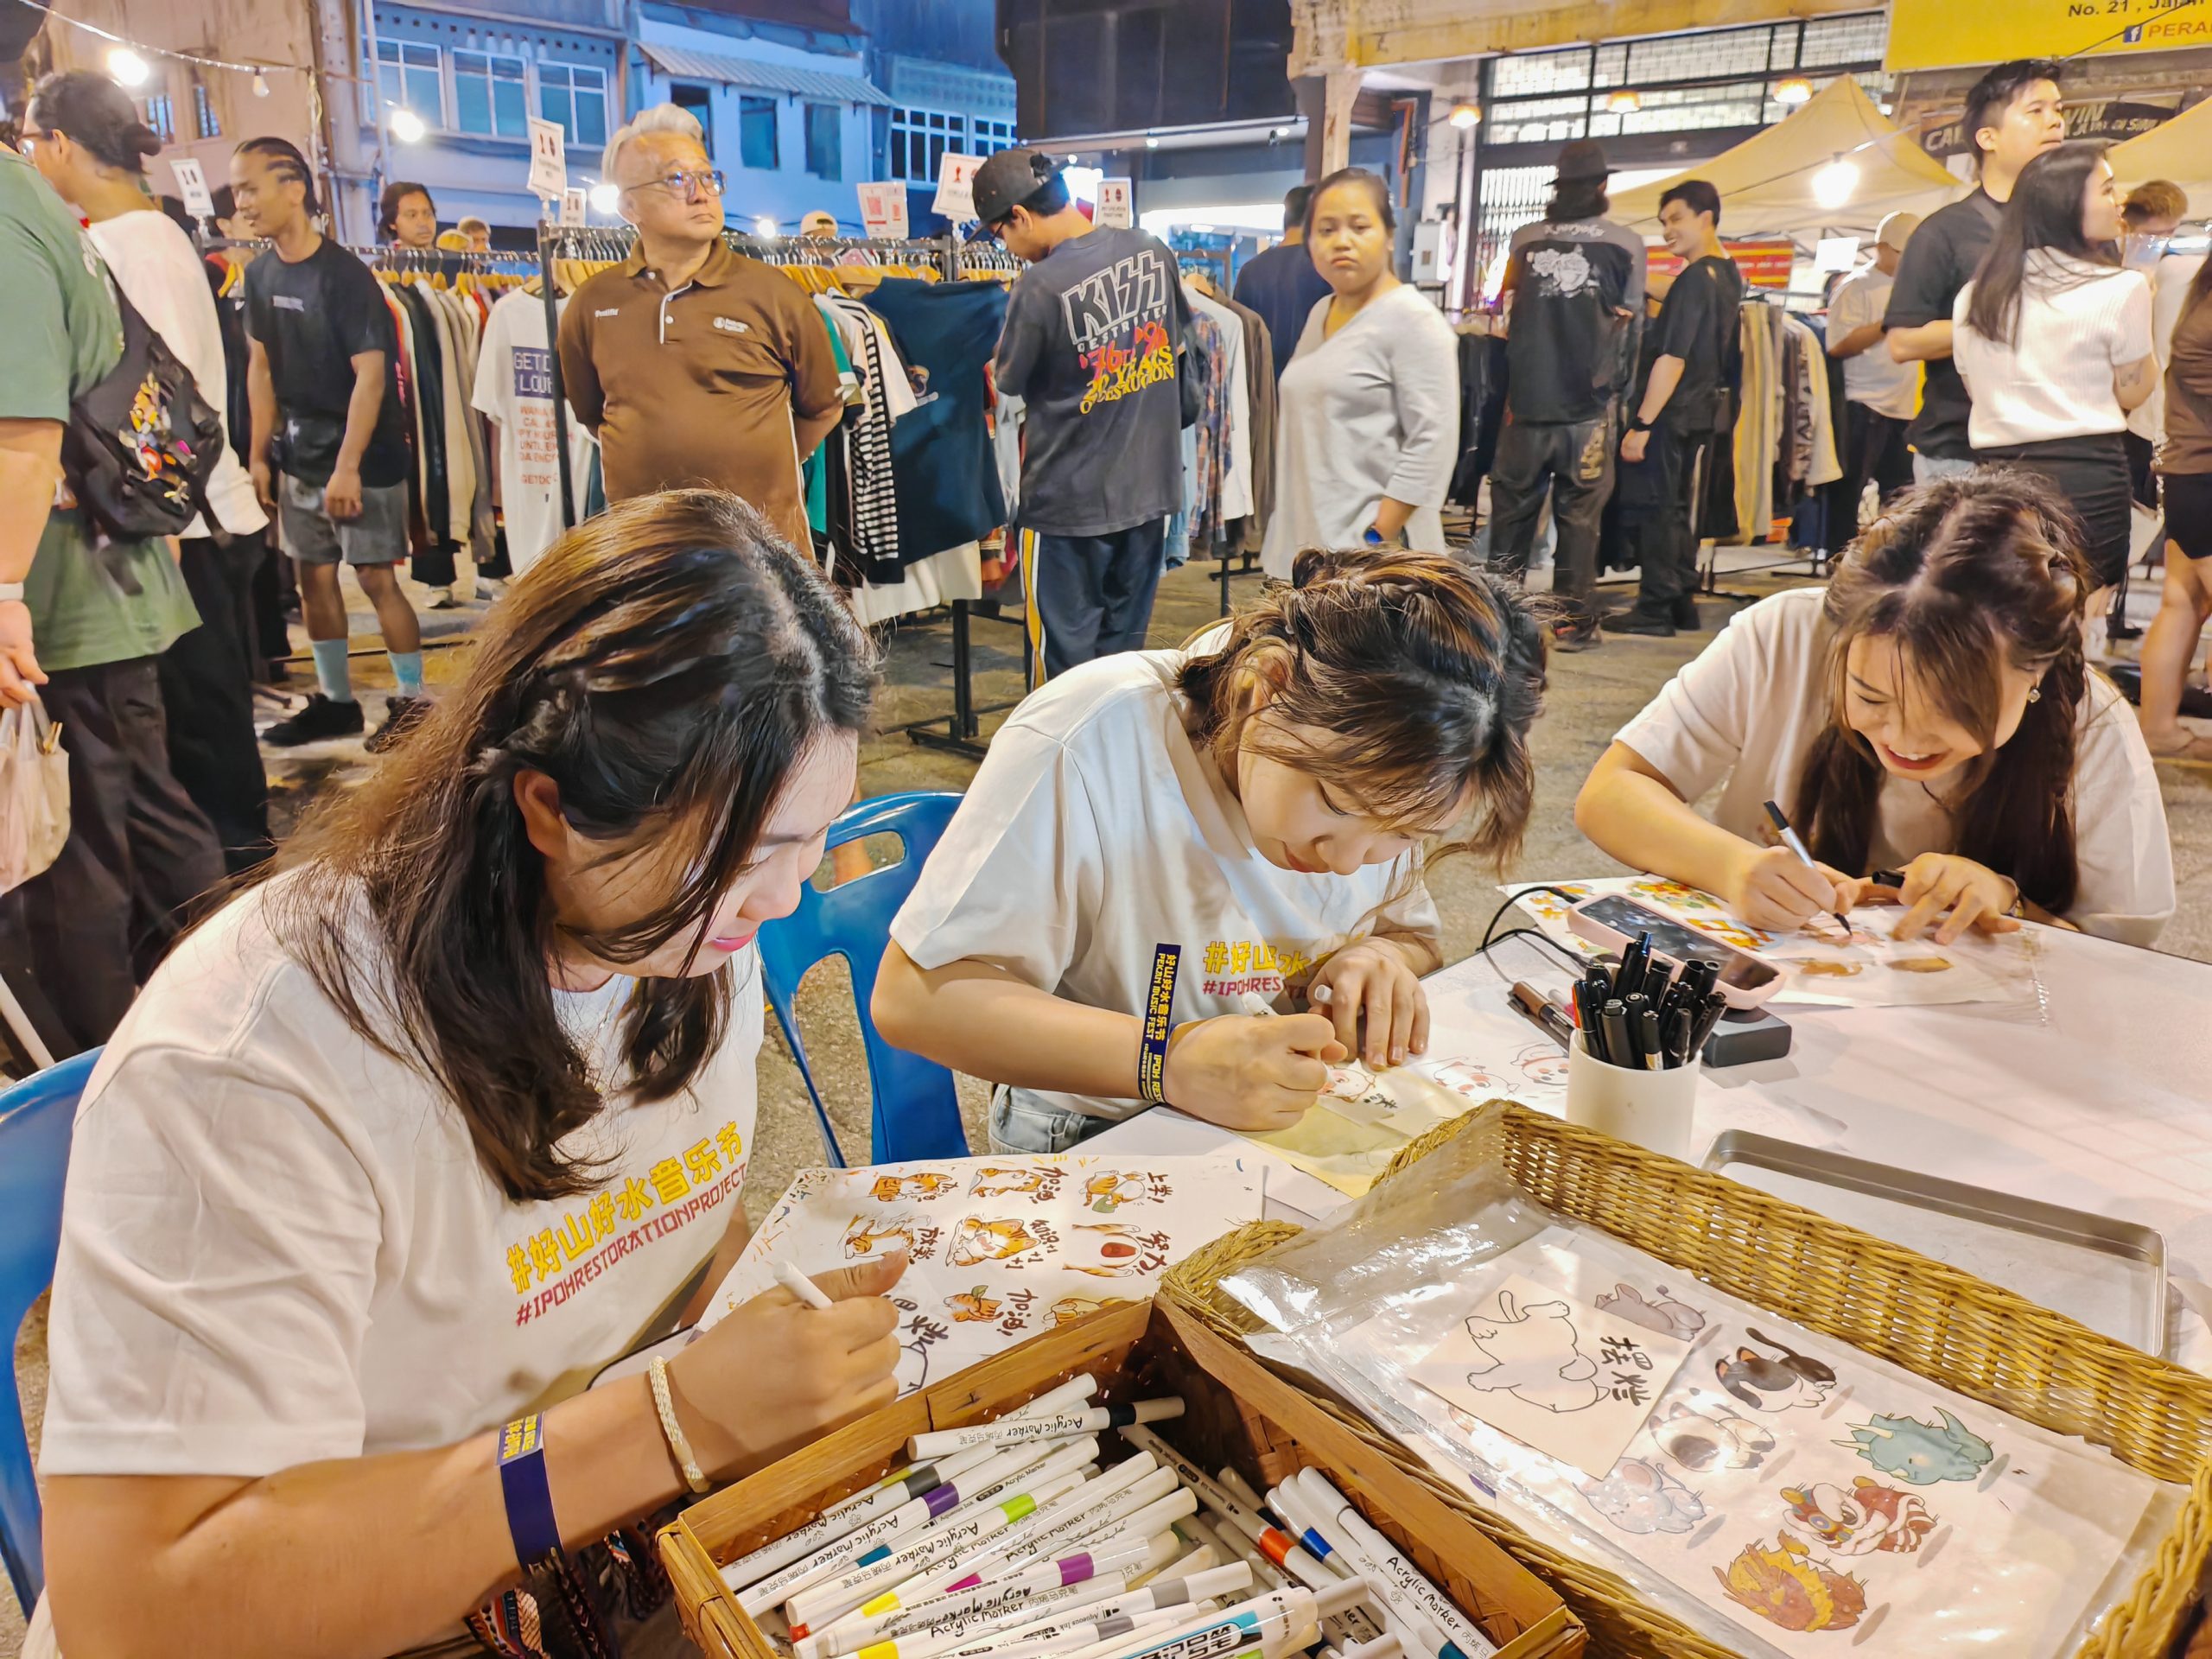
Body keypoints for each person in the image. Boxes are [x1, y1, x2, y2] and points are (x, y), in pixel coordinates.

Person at [27, 490, 905, 1659]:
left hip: (581, 1564)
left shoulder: (687, 940)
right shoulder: (257, 1064)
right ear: (550, 806)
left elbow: (666, 1228)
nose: (785, 899)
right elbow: (144, 1611)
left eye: (813, 840)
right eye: (748, 854)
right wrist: (671, 1423)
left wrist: (771, 1345)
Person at [874, 549, 1546, 1153]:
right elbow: (912, 1000)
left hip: (1289, 1116)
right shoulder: (1096, 735)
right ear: (1265, 688)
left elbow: (1409, 937)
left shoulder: (1409, 763)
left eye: (1404, 836)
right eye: (1337, 804)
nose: (1348, 862)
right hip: (1101, 1123)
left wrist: (1377, 960)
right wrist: (1167, 1061)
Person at [1574, 472, 2172, 947]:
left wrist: (2007, 900)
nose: (1905, 740)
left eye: (1954, 711)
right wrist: (1733, 865)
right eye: (1870, 697)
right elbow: (1611, 793)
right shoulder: (1785, 635)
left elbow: (2121, 962)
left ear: (2035, 670)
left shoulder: (2093, 724)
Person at [0, 130, 223, 1057]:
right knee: (141, 818)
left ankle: (96, 1067)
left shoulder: (7, 217)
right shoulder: (34, 201)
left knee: (73, 852)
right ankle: (229, 1006)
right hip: (101, 583)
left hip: (67, 599)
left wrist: (2, 594)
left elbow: (22, 435)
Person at [22, 71, 274, 872]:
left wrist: (155, 528)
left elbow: (153, 406)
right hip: (197, 515)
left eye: (30, 143)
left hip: (180, 526)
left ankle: (235, 890)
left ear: (60, 144)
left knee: (200, 737)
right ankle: (237, 876)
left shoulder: (123, 246)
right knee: (208, 725)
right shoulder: (150, 234)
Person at [557, 104, 842, 554]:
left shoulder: (775, 294)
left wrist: (763, 470)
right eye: (677, 179)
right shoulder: (593, 303)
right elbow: (594, 415)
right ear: (628, 205)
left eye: (707, 177)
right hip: (644, 552)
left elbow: (824, 407)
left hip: (762, 557)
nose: (701, 194)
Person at [232, 137, 429, 750]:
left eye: (250, 188)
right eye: (237, 191)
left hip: (364, 459)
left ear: (294, 188)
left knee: (375, 578)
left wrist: (348, 466)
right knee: (312, 579)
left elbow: (372, 376)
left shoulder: (346, 276)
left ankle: (413, 705)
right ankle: (337, 703)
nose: (242, 203)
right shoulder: (258, 274)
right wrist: (258, 456)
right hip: (298, 457)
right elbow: (260, 368)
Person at [979, 146, 1191, 677]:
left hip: (1067, 508)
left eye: (1001, 235)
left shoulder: (1039, 284)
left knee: (1063, 674)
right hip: (1148, 497)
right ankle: (1114, 737)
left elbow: (1009, 379)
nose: (1008, 247)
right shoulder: (1153, 251)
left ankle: (1071, 739)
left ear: (1020, 216)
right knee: (1123, 663)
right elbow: (1181, 353)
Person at [1955, 143, 2156, 619]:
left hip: (1997, 478)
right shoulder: (2122, 287)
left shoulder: (1975, 296)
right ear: (2067, 203)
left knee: (2003, 618)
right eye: (2107, 189)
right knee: (2078, 617)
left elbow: (1974, 388)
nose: (2119, 202)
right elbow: (2134, 390)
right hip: (2087, 477)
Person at [1485, 137, 1647, 650]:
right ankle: (1572, 626)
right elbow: (1632, 326)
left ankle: (1500, 625)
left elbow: (1505, 317)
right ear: (1601, 187)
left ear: (1557, 189)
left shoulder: (1524, 240)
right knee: (1579, 522)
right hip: (1589, 411)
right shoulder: (1626, 244)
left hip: (1525, 405)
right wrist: (1624, 397)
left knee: (1511, 518)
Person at [1263, 168, 1459, 581]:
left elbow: (1433, 442)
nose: (1342, 241)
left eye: (1359, 226)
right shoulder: (1322, 311)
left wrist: (1374, 538)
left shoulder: (1413, 319)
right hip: (1308, 553)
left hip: (1370, 568)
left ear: (1388, 235)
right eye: (1326, 230)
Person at [1885, 59, 2068, 484]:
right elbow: (1902, 342)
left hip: (2060, 447)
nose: (2055, 122)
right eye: (2036, 111)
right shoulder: (1944, 232)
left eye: (2059, 110)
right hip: (1963, 457)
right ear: (1988, 137)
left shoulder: (2076, 228)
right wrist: (1997, 318)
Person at [1612, 180, 1744, 638]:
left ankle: (1654, 609)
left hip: (1672, 411)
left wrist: (1641, 423)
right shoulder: (1725, 273)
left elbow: (1673, 357)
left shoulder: (1694, 280)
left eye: (1676, 219)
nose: (1667, 230)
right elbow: (1681, 295)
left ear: (1705, 218)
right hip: (1702, 411)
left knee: (1659, 510)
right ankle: (1681, 602)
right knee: (1678, 507)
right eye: (1663, 222)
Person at [2136, 254, 2212, 760]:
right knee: (2184, 603)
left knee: (2184, 602)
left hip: (2190, 478)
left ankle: (2159, 729)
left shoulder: (2198, 298)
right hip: (2203, 479)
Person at [1826, 212, 1922, 525]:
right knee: (1848, 492)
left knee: (1901, 497)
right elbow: (1838, 345)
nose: (1908, 260)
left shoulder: (1918, 286)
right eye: (1902, 252)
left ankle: (1889, 553)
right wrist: (1887, 322)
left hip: (1904, 408)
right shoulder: (1856, 286)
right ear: (1881, 247)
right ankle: (1839, 551)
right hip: (1864, 404)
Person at [1232, 182, 1332, 383]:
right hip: (1311, 386)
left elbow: (1239, 339)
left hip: (1259, 390)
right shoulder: (1324, 268)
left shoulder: (1250, 271)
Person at [378, 179, 438, 249]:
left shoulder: (449, 254)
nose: (423, 223)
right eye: (412, 215)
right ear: (392, 223)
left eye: (428, 214)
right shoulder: (385, 256)